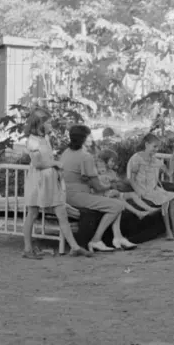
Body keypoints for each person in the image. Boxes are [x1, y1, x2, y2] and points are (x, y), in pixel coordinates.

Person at [21, 108, 91, 259]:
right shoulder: (32, 141)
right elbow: (38, 163)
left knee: (62, 212)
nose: (50, 124)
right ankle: (27, 249)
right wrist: (55, 163)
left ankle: (74, 247)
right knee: (32, 213)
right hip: (38, 181)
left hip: (50, 180)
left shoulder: (45, 138)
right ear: (40, 124)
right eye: (47, 122)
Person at [61, 125, 136, 252]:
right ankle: (96, 240)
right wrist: (111, 185)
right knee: (117, 205)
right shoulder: (86, 156)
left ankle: (118, 237)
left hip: (64, 194)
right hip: (77, 197)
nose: (92, 137)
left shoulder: (66, 153)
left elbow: (81, 177)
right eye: (89, 135)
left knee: (115, 199)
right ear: (83, 138)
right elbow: (98, 186)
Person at [127, 134, 174, 240]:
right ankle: (168, 231)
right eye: (154, 147)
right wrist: (138, 191)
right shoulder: (137, 159)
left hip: (153, 189)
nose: (156, 150)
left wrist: (172, 159)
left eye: (157, 147)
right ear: (146, 144)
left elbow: (169, 173)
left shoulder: (154, 160)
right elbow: (130, 178)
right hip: (143, 190)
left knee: (172, 196)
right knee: (165, 200)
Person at [95, 149, 160, 219]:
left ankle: (149, 208)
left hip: (114, 193)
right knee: (119, 198)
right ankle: (138, 213)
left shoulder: (112, 172)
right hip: (104, 196)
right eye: (112, 161)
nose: (113, 163)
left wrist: (123, 181)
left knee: (133, 194)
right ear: (104, 160)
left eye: (114, 161)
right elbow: (98, 185)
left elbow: (118, 183)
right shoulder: (99, 172)